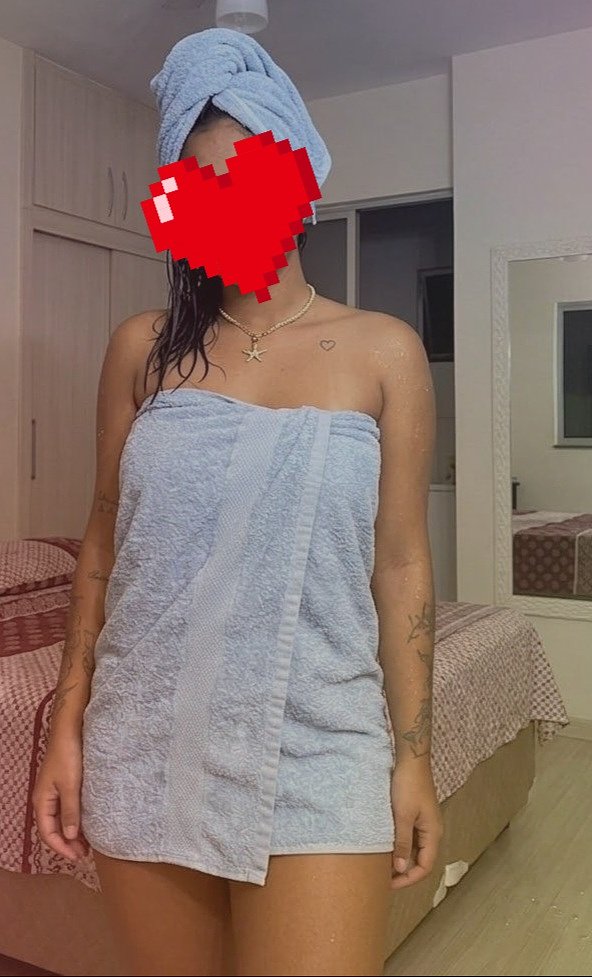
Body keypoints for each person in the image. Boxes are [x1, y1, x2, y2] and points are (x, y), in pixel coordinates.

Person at [33, 28, 443, 977]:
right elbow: (103, 541)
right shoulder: (142, 349)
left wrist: (413, 754)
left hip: (322, 743)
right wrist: (66, 726)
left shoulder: (384, 350)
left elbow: (402, 562)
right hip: (146, 736)